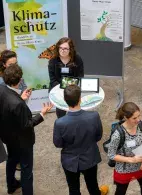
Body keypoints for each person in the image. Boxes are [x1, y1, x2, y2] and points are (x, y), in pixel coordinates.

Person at [0, 65, 52, 195]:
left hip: (7, 136)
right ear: (19, 80)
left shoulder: (2, 89)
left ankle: (11, 186)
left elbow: (8, 107)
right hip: (23, 141)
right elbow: (27, 124)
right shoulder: (17, 104)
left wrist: (21, 98)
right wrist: (42, 114)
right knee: (27, 170)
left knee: (11, 160)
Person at [53, 84, 108, 195]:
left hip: (69, 161)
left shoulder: (59, 123)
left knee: (73, 189)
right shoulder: (94, 116)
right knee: (93, 186)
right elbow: (98, 136)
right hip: (90, 158)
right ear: (80, 99)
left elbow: (58, 144)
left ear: (64, 100)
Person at [107, 102, 142, 195]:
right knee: (120, 192)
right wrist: (131, 160)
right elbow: (111, 155)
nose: (138, 120)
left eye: (139, 116)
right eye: (134, 118)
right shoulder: (118, 134)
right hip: (124, 169)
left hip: (141, 166)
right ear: (126, 118)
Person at [48, 37, 84, 118]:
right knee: (60, 108)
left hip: (73, 87)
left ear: (70, 49)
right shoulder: (53, 60)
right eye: (60, 48)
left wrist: (72, 89)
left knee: (75, 106)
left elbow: (80, 76)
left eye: (65, 49)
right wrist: (62, 90)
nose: (62, 51)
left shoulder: (77, 58)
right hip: (57, 87)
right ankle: (62, 121)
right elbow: (52, 79)